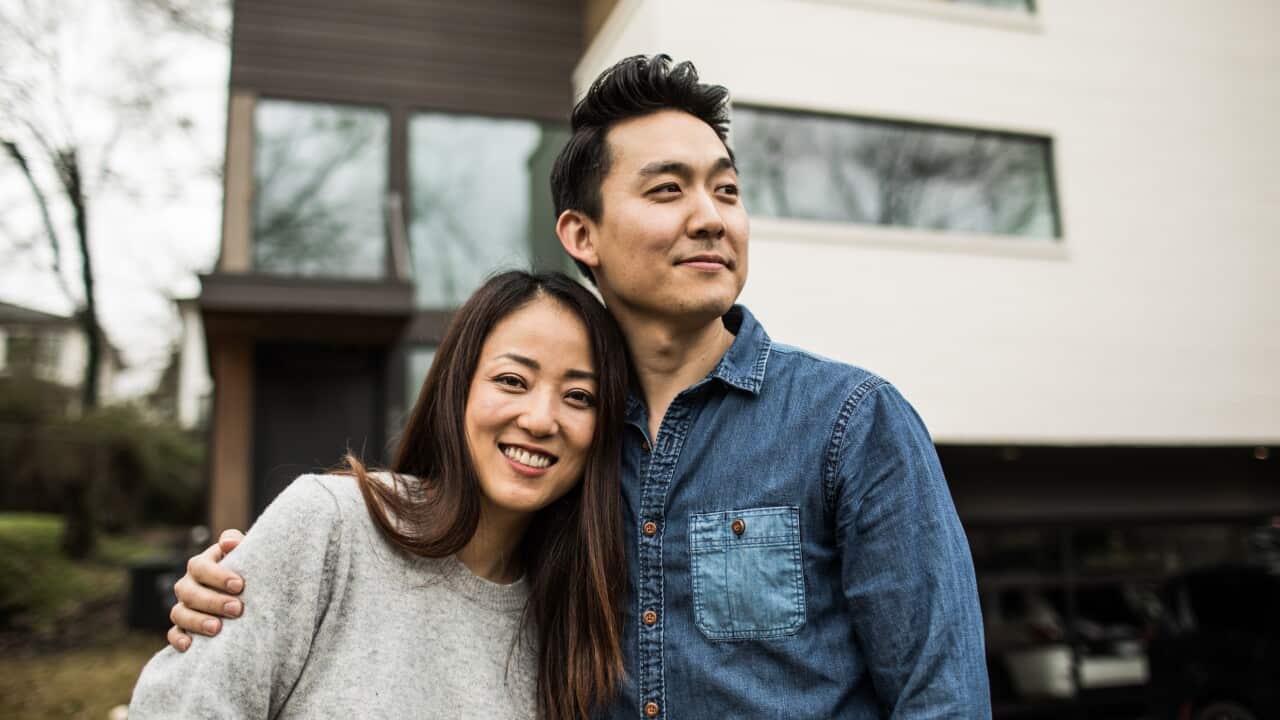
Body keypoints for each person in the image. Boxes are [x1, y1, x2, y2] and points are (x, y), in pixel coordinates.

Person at [167, 55, 991, 717]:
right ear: (581, 233)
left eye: (727, 190)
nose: (710, 215)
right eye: (668, 189)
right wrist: (246, 590)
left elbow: (942, 696)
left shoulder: (851, 421)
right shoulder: (556, 455)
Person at [131, 271, 630, 719]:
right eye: (511, 380)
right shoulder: (330, 526)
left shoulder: (576, 622)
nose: (541, 419)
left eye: (579, 397)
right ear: (457, 390)